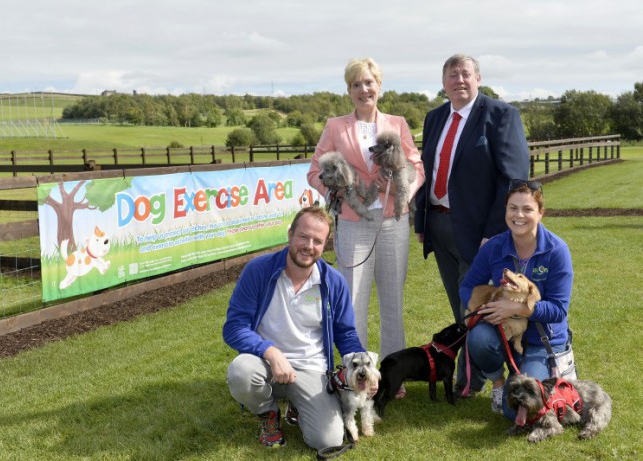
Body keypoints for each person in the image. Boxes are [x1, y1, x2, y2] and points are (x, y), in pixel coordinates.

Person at [307, 58, 425, 397]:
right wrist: (334, 189)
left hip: (393, 223)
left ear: (379, 86)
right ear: (349, 90)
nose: (364, 89)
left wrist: (405, 191)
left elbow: (416, 164)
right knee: (353, 302)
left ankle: (392, 376)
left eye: (369, 82)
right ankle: (354, 378)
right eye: (357, 84)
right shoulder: (334, 127)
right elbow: (315, 170)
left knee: (392, 302)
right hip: (353, 224)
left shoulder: (397, 123)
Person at [413, 53, 529, 395]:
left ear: (477, 78)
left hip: (479, 233)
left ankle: (485, 376)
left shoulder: (500, 115)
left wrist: (492, 232)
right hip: (438, 224)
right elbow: (426, 169)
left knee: (479, 306)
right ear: (444, 82)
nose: (459, 80)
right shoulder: (435, 118)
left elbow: (512, 178)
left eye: (465, 74)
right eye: (452, 75)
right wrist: (422, 218)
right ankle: (473, 374)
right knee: (459, 305)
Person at [223, 206, 365, 450]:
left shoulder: (334, 282)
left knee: (327, 440)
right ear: (290, 234)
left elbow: (346, 333)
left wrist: (363, 367)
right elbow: (234, 327)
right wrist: (270, 351)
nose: (309, 245)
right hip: (265, 362)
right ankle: (268, 415)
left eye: (317, 241)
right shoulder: (258, 270)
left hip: (312, 368)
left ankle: (298, 406)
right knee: (241, 372)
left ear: (324, 245)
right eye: (303, 236)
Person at [459, 179, 574, 416]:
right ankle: (499, 383)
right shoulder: (494, 247)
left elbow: (559, 310)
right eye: (513, 208)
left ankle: (530, 370)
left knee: (518, 411)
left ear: (541, 213)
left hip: (543, 340)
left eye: (527, 209)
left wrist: (518, 308)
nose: (518, 215)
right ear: (505, 211)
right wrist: (482, 306)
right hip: (505, 334)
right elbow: (467, 285)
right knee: (478, 338)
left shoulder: (557, 250)